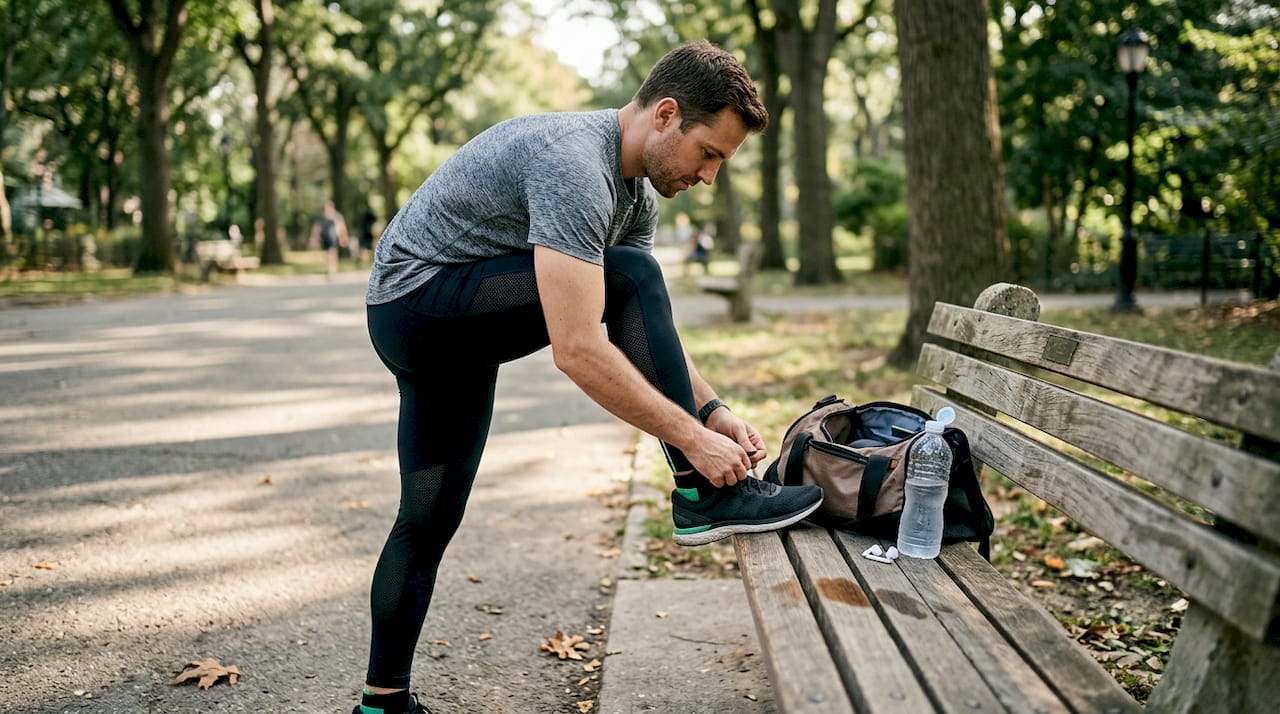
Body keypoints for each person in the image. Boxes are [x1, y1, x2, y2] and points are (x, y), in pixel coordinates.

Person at [357, 41, 823, 714]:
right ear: (666, 115)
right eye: (710, 154)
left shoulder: (637, 196)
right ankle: (699, 498)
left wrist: (713, 411)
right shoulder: (575, 163)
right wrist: (694, 445)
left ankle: (381, 704)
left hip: (444, 330)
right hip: (417, 305)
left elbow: (643, 332)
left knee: (427, 519)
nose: (710, 176)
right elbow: (577, 348)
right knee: (633, 274)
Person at [310, 199, 349, 276]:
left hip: (334, 236)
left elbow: (342, 226)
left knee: (333, 251)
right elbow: (317, 228)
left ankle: (333, 268)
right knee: (327, 253)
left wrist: (343, 237)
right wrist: (314, 238)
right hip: (325, 237)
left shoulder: (337, 216)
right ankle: (328, 267)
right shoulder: (322, 217)